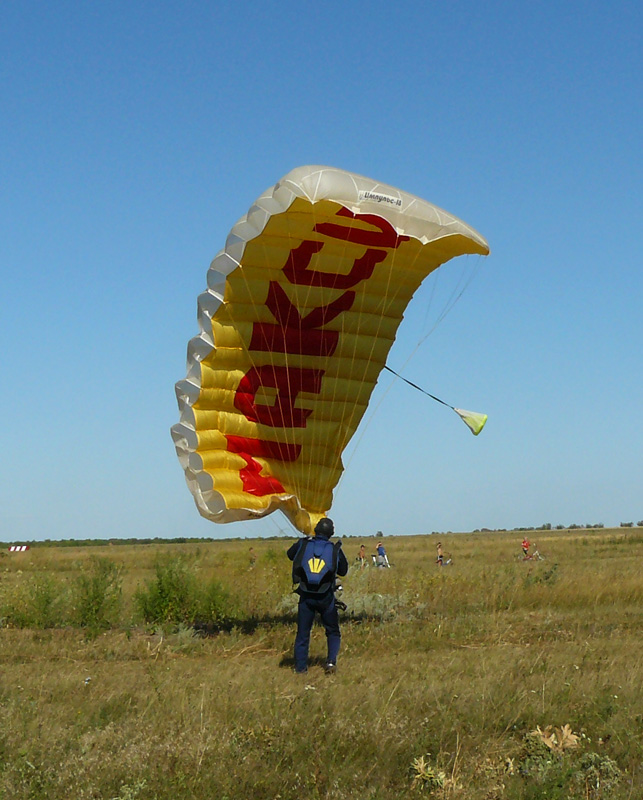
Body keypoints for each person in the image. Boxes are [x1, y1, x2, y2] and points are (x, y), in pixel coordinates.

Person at [287, 517, 348, 674]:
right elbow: (343, 571)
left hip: (306, 596)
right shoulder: (335, 549)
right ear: (331, 533)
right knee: (332, 631)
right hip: (326, 597)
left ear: (316, 530)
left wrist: (304, 540)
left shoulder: (304, 544)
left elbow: (290, 554)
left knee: (303, 633)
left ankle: (301, 669)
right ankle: (330, 662)